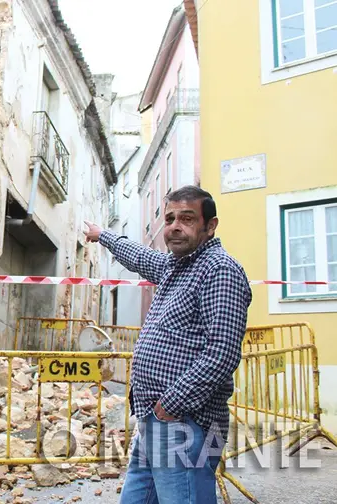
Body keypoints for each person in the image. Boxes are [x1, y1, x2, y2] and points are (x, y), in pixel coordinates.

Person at [83, 185, 252, 503]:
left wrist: (170, 407)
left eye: (187, 218)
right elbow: (137, 255)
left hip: (185, 421)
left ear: (210, 226)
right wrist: (102, 234)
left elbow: (222, 354)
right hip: (156, 420)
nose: (174, 225)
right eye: (170, 217)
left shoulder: (219, 271)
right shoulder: (176, 267)